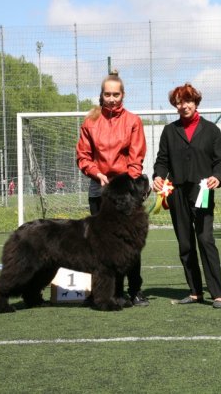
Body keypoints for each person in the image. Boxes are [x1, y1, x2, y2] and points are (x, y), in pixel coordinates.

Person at [76, 70, 149, 307]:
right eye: (107, 94)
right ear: (101, 95)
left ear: (123, 95)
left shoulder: (133, 121)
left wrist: (127, 184)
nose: (111, 98)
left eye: (115, 94)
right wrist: (97, 174)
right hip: (99, 188)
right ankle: (100, 293)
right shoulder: (90, 122)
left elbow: (136, 158)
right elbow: (83, 156)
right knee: (96, 247)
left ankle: (134, 290)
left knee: (130, 243)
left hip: (125, 190)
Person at [153, 83, 221, 309]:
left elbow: (220, 161)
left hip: (202, 192)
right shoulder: (169, 131)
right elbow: (162, 160)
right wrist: (158, 176)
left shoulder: (211, 130)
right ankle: (195, 291)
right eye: (178, 102)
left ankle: (218, 294)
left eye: (187, 101)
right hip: (177, 193)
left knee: (206, 240)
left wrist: (217, 176)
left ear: (196, 102)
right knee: (185, 243)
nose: (183, 106)